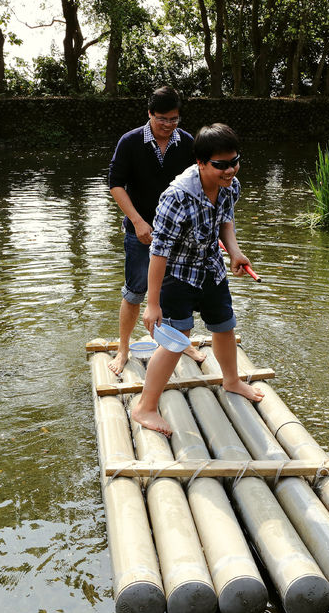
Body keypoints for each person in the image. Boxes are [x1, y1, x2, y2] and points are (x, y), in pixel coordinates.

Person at [132, 123, 263, 436]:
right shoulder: (176, 197)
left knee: (224, 326)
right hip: (177, 276)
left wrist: (235, 253)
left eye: (234, 161)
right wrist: (152, 304)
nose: (230, 170)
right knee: (176, 340)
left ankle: (231, 380)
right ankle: (145, 407)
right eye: (221, 165)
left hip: (211, 268)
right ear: (201, 163)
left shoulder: (230, 184)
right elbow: (158, 252)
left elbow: (225, 221)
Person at [107, 86, 206, 375]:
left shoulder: (187, 142)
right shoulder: (130, 141)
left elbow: (198, 183)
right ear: (149, 113)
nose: (168, 125)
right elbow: (115, 184)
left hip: (178, 233)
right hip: (140, 230)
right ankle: (123, 348)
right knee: (135, 291)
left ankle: (181, 343)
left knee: (176, 291)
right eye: (162, 118)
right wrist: (137, 221)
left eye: (174, 119)